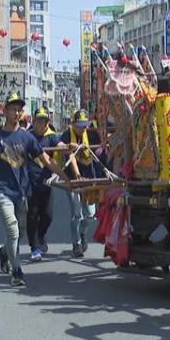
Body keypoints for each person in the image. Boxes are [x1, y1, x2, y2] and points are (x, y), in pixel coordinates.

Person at [0, 93, 70, 286]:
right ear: (4, 111)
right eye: (13, 108)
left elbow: (45, 160)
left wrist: (66, 178)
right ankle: (17, 271)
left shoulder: (26, 137)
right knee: (13, 230)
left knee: (20, 232)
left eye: (19, 109)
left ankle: (4, 253)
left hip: (21, 192)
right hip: (1, 190)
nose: (16, 112)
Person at [61, 109, 101, 258]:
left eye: (84, 125)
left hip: (88, 179)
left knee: (90, 215)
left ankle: (83, 234)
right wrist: (77, 175)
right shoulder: (66, 136)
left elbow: (99, 152)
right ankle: (76, 244)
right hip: (71, 179)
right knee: (76, 214)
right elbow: (70, 157)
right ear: (73, 124)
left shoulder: (90, 135)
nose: (82, 128)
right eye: (79, 125)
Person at [26, 108, 59, 262]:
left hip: (46, 182)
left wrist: (68, 147)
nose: (41, 124)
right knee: (32, 215)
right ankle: (34, 247)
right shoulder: (28, 136)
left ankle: (40, 236)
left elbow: (60, 144)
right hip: (30, 183)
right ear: (33, 122)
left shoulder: (51, 137)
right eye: (38, 121)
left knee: (48, 215)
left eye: (44, 121)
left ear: (47, 123)